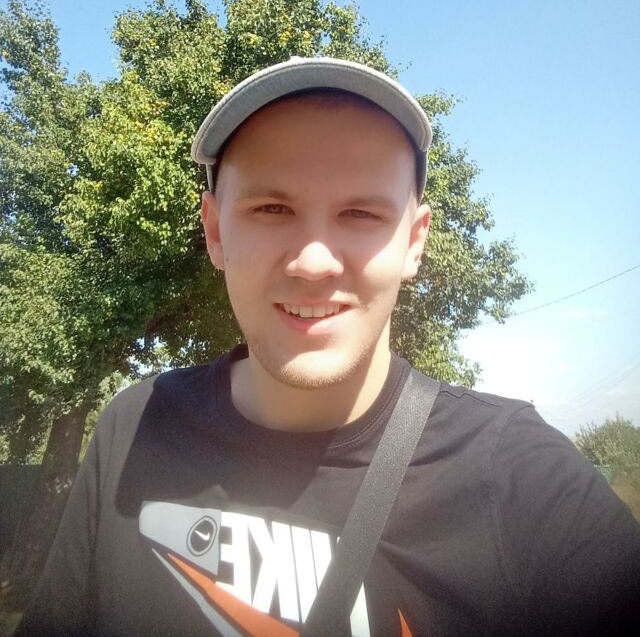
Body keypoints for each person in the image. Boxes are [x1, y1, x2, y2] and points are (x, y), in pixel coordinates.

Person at [18, 57, 639, 637]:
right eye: (271, 208)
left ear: (414, 242)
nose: (314, 262)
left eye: (362, 214)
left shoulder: (524, 481)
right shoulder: (134, 428)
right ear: (214, 231)